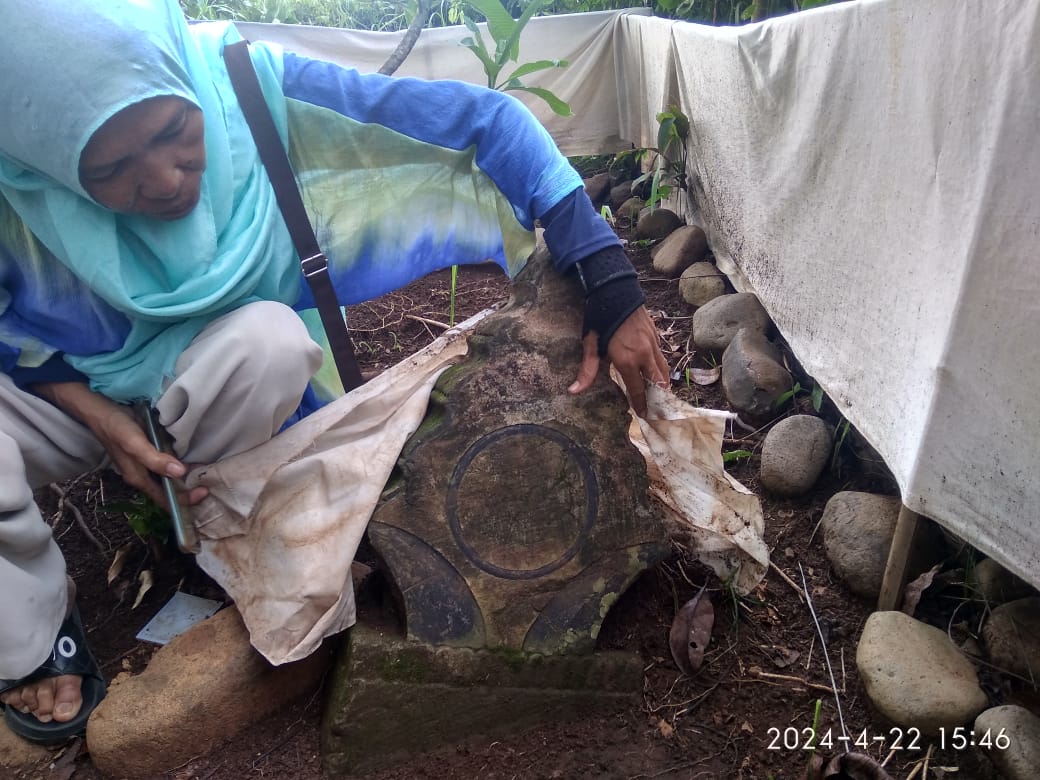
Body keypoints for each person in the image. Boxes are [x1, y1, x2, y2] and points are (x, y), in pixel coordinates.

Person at [0, 0, 669, 744]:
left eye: (172, 132)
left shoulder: (240, 84)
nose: (163, 181)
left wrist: (611, 283)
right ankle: (28, 634)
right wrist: (98, 414)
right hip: (66, 388)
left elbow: (485, 122)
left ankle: (215, 523)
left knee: (273, 344)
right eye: (112, 168)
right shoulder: (13, 178)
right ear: (44, 162)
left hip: (215, 378)